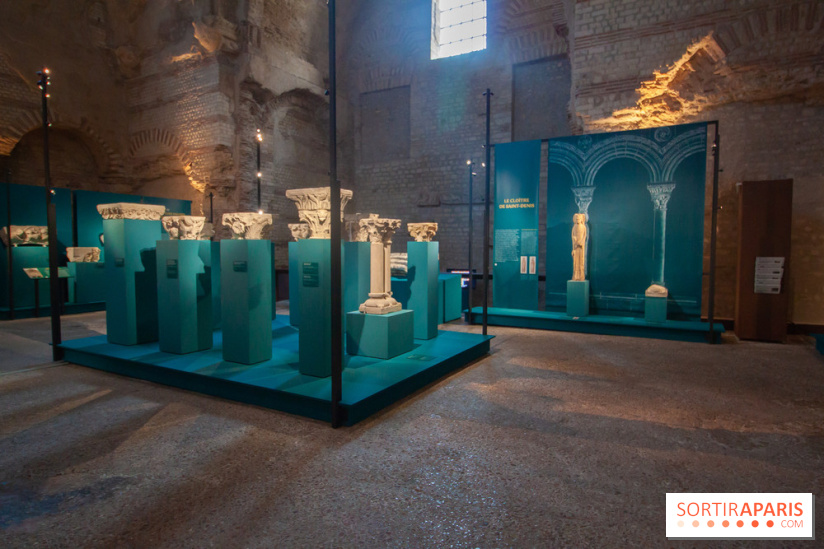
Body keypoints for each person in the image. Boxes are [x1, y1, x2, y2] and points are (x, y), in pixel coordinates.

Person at [571, 213, 587, 281]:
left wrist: (581, 243)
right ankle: (575, 276)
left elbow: (584, 236)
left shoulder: (583, 227)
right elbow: (572, 236)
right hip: (575, 246)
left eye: (579, 219)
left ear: (581, 219)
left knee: (581, 260)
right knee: (575, 262)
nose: (578, 220)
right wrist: (575, 243)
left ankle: (581, 276)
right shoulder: (574, 227)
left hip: (581, 246)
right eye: (576, 219)